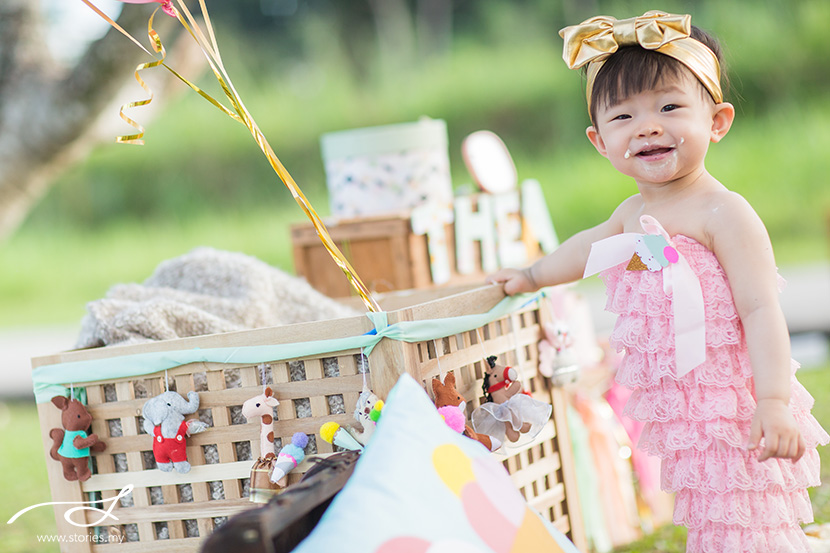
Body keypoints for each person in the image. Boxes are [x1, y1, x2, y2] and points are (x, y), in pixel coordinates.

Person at [488, 11, 829, 553]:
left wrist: (773, 401)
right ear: (600, 141)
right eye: (624, 116)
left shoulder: (724, 214)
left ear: (716, 121)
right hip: (683, 405)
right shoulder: (630, 217)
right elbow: (588, 252)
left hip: (734, 403)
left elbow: (762, 311)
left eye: (670, 107)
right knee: (710, 514)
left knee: (750, 516)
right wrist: (531, 275)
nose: (648, 126)